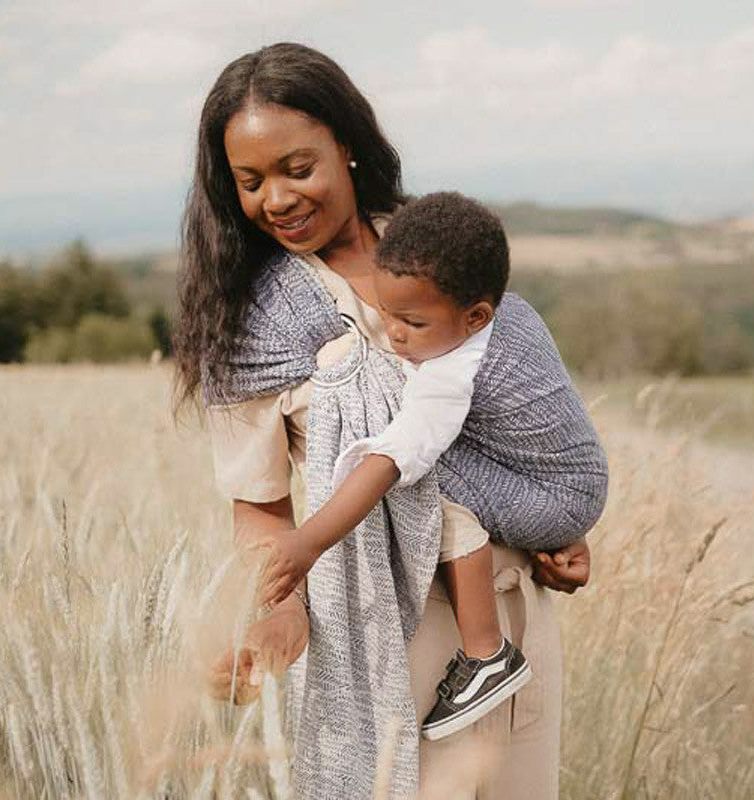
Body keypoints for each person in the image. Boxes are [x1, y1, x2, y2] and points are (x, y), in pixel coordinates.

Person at [175, 42, 594, 800]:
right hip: (390, 630)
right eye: (250, 182)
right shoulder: (249, 329)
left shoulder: (439, 252)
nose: (276, 199)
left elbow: (502, 410)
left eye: (297, 168)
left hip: (516, 620)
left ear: (347, 146)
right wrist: (281, 610)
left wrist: (555, 526)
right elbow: (261, 506)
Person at [257, 191, 607, 743]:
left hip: (556, 498)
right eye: (387, 314)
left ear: (475, 316)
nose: (393, 334)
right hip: (571, 482)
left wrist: (309, 542)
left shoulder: (450, 372)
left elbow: (396, 458)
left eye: (412, 323)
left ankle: (486, 652)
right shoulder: (511, 313)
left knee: (419, 473)